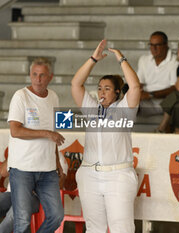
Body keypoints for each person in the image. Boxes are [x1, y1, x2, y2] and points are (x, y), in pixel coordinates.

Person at [71, 39, 140, 233]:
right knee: (94, 229)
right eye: (100, 88)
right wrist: (93, 59)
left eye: (107, 88)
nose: (101, 92)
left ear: (117, 93)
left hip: (118, 176)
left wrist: (121, 58)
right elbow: (76, 84)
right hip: (89, 174)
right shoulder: (91, 109)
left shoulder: (125, 110)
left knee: (122, 228)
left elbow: (135, 87)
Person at [7, 57, 65, 233]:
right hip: (22, 168)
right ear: (30, 75)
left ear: (50, 77)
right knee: (22, 221)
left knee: (56, 215)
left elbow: (55, 135)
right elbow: (15, 131)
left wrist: (57, 163)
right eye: (34, 74)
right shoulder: (20, 96)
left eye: (42, 75)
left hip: (47, 170)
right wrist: (46, 133)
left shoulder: (54, 97)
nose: (38, 79)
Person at [0, 153, 67, 233]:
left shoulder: (58, 156)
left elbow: (60, 184)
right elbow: (3, 172)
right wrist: (15, 152)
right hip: (11, 193)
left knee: (14, 213)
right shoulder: (23, 150)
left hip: (35, 196)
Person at [137, 31, 179, 116]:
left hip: (164, 102)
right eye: (151, 45)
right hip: (145, 101)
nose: (153, 48)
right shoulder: (143, 60)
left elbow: (175, 89)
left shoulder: (175, 61)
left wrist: (151, 95)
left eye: (157, 45)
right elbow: (139, 83)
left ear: (166, 45)